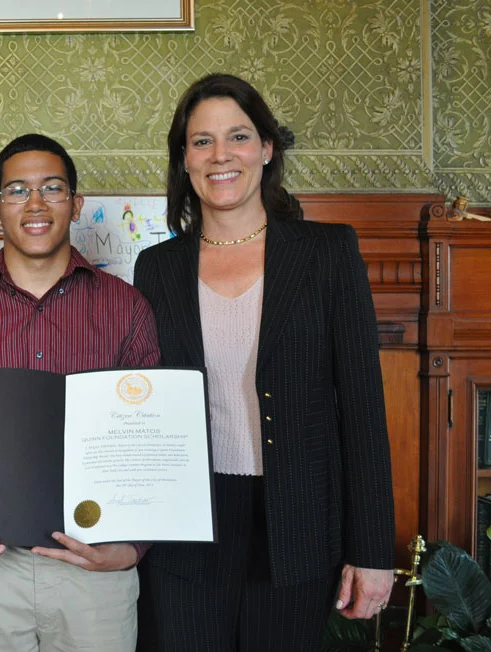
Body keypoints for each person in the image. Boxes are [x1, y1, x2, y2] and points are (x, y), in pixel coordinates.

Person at [133, 73, 395, 651]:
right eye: (202, 141)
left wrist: (373, 552)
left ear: (267, 148)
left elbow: (363, 412)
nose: (220, 155)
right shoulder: (155, 268)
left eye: (239, 137)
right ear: (184, 158)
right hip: (187, 527)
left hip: (298, 523)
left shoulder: (328, 253)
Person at [0, 134, 160, 652]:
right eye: (18, 191)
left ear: (77, 203)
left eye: (53, 188)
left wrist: (133, 547)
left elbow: (149, 440)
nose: (36, 204)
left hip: (94, 563)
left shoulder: (128, 308)